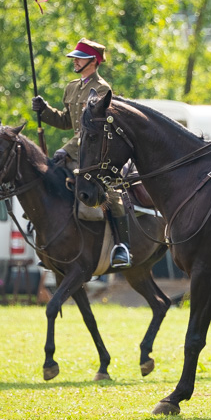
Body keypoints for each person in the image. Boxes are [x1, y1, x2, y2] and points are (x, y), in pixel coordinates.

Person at [31, 38, 131, 268]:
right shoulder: (72, 87)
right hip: (75, 152)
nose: (75, 61)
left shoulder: (102, 89)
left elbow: (89, 130)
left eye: (80, 58)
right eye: (75, 58)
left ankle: (122, 246)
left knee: (110, 192)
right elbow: (67, 121)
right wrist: (44, 111)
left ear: (93, 61)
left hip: (95, 154)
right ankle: (53, 242)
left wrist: (65, 149)